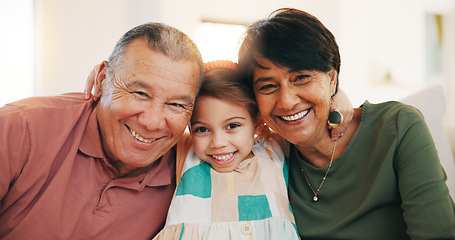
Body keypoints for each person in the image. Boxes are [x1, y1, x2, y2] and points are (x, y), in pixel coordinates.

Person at [236, 8, 455, 239]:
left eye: (301, 78)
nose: (287, 102)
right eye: (268, 86)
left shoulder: (398, 127)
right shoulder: (268, 157)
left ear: (332, 79)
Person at [0, 22, 203, 239]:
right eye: (140, 93)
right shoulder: (20, 127)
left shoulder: (191, 168)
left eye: (177, 105)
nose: (152, 122)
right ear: (101, 79)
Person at [152, 61, 299, 239]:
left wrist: (341, 105)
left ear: (258, 124)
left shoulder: (273, 149)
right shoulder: (187, 151)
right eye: (202, 129)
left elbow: (312, 126)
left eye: (232, 125)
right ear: (190, 129)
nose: (218, 142)